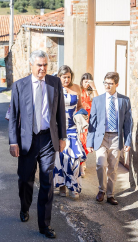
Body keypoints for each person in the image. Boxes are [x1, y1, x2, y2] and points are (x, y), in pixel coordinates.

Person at [9, 50, 66, 239]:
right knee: (25, 180)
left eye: (45, 65)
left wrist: (62, 137)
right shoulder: (19, 86)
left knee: (47, 181)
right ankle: (24, 207)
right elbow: (13, 117)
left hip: (48, 140)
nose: (42, 69)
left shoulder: (54, 83)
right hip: (27, 141)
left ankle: (44, 225)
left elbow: (60, 113)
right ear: (31, 65)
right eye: (39, 65)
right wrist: (13, 141)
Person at [86, 72, 132, 205]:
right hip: (101, 137)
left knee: (113, 167)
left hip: (116, 137)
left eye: (110, 83)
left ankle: (110, 195)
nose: (107, 85)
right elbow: (92, 122)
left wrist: (128, 141)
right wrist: (90, 142)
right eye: (105, 83)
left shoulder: (124, 100)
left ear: (116, 84)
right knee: (101, 164)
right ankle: (101, 190)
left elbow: (128, 123)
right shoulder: (98, 100)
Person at [53, 65, 87, 199]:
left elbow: (79, 106)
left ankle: (73, 186)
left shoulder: (77, 88)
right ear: (59, 77)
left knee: (74, 159)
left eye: (68, 77)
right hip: (59, 128)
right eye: (63, 77)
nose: (66, 80)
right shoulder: (55, 89)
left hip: (72, 128)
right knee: (61, 158)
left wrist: (82, 115)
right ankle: (62, 186)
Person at [79, 73, 99, 177]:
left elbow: (99, 102)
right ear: (81, 81)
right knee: (81, 141)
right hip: (80, 120)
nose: (86, 83)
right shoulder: (78, 91)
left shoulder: (91, 92)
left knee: (87, 142)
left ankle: (83, 161)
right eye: (85, 80)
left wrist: (94, 87)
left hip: (90, 120)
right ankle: (81, 165)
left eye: (89, 81)